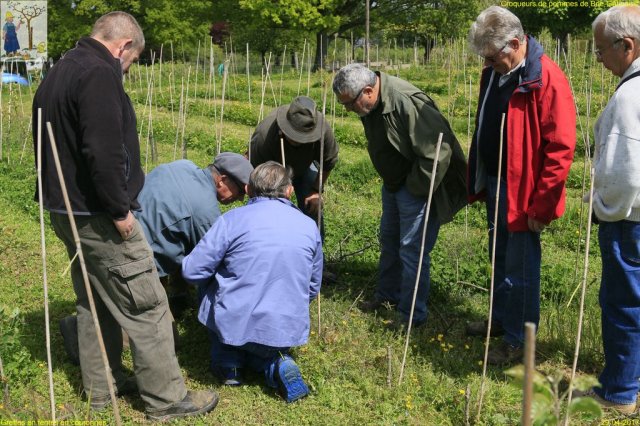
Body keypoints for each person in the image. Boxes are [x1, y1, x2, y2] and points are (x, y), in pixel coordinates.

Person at [32, 11, 218, 421]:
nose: (128, 70)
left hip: (65, 209)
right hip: (99, 213)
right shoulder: (99, 73)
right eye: (131, 62)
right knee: (146, 303)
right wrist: (119, 210)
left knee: (95, 299)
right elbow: (102, 150)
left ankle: (103, 388)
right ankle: (166, 399)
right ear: (124, 46)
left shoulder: (61, 68)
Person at [58, 152, 253, 364]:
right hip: (133, 263)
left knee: (184, 241)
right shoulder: (205, 210)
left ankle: (175, 297)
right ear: (222, 180)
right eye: (239, 190)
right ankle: (81, 334)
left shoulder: (183, 166)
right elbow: (212, 263)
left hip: (117, 237)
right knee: (163, 338)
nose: (240, 199)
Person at [465, 6, 576, 365]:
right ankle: (500, 319)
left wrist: (542, 206)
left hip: (524, 193)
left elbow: (560, 149)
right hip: (497, 181)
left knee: (521, 270)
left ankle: (518, 341)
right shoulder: (495, 73)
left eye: (492, 57)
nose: (487, 64)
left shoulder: (546, 78)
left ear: (515, 44)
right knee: (498, 258)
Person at [332, 64, 468, 330]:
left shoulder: (406, 102)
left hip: (414, 186)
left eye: (349, 104)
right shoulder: (370, 103)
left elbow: (438, 151)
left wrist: (415, 188)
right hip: (394, 184)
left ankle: (412, 315)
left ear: (368, 90)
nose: (347, 110)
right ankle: (387, 297)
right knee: (390, 240)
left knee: (412, 250)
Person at [182, 161, 322, 403]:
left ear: (248, 190)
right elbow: (313, 286)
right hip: (283, 327)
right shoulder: (309, 227)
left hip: (233, 323)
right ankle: (277, 363)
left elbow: (192, 271)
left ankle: (229, 364)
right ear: (289, 191)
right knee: (268, 350)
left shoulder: (231, 220)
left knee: (214, 286)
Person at [573, 5, 640, 414]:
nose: (598, 59)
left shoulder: (630, 96)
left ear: (627, 46)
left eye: (600, 50)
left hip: (631, 221)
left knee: (623, 303)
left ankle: (618, 392)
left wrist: (605, 208)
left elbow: (626, 174)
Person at [250, 96, 338, 232]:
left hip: (304, 167)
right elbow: (256, 174)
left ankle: (314, 239)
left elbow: (328, 163)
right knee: (269, 211)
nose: (298, 141)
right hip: (271, 172)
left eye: (303, 137)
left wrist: (316, 191)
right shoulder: (264, 135)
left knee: (313, 209)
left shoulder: (323, 131)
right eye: (294, 136)